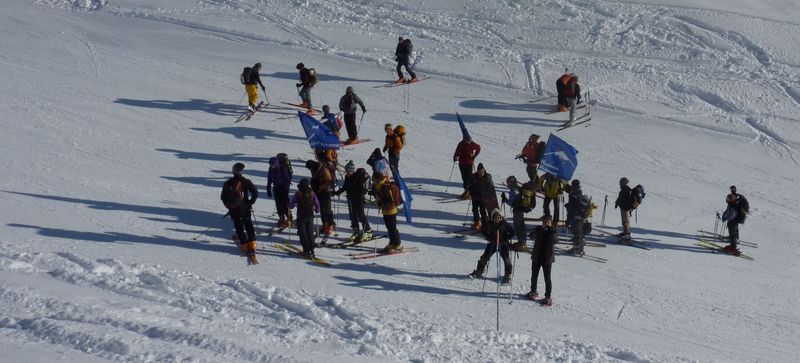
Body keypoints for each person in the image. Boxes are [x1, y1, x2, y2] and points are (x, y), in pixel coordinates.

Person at [220, 162, 259, 264]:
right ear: (242, 171)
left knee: (238, 225)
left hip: (233, 209)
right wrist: (250, 202)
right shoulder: (245, 181)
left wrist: (229, 206)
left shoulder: (227, 183)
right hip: (244, 207)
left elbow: (222, 197)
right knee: (248, 224)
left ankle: (244, 244)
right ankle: (252, 242)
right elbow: (255, 192)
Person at [468, 209, 514, 284]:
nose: (497, 219)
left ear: (501, 217)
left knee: (507, 260)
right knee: (484, 257)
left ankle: (508, 275)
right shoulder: (489, 224)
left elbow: (512, 232)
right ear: (492, 218)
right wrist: (488, 237)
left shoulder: (505, 224)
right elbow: (483, 230)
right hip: (492, 243)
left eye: (498, 217)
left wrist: (507, 237)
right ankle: (479, 271)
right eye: (495, 218)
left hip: (503, 244)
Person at [336, 161, 373, 243]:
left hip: (358, 199)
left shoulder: (357, 178)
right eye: (346, 170)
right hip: (350, 198)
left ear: (352, 171)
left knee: (361, 215)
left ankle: (368, 231)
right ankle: (356, 231)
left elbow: (361, 189)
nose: (346, 172)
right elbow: (345, 186)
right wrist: (338, 192)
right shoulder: (347, 177)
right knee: (352, 215)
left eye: (348, 171)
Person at [526, 215, 556, 306]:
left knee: (547, 278)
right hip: (537, 257)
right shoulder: (539, 230)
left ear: (551, 223)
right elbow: (530, 236)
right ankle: (533, 291)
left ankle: (548, 296)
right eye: (544, 222)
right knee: (534, 276)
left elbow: (556, 240)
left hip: (547, 259)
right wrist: (537, 230)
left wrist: (551, 232)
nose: (546, 224)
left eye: (548, 222)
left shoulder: (552, 231)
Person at [288, 178, 320, 258]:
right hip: (310, 216)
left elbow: (291, 205)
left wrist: (288, 205)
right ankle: (312, 250)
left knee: (302, 234)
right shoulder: (312, 193)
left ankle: (306, 251)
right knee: (310, 233)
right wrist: (317, 210)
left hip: (301, 217)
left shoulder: (298, 194)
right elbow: (317, 203)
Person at [373, 172, 403, 253]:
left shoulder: (384, 187)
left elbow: (388, 200)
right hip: (386, 211)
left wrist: (380, 203)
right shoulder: (380, 186)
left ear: (378, 180)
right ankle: (392, 243)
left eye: (374, 180)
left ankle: (398, 245)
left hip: (391, 210)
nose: (373, 181)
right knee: (389, 228)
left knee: (392, 228)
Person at [306, 160, 335, 239]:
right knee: (321, 208)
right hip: (318, 192)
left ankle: (331, 225)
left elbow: (329, 182)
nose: (309, 170)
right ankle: (324, 223)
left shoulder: (324, 170)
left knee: (327, 209)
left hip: (326, 192)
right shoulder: (314, 170)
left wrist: (320, 187)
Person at [267, 153, 293, 229]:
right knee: (278, 203)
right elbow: (269, 179)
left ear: (276, 163)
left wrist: (285, 188)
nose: (271, 166)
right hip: (276, 188)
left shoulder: (283, 168)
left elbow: (287, 179)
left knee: (285, 202)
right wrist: (268, 189)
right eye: (270, 164)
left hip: (284, 188)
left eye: (273, 164)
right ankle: (281, 218)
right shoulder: (271, 169)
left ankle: (289, 216)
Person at [501, 176, 527, 249]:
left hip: (517, 210)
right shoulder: (519, 188)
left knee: (517, 226)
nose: (507, 184)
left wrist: (504, 199)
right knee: (521, 225)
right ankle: (522, 241)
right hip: (521, 209)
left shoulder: (513, 190)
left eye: (508, 182)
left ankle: (521, 243)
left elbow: (511, 203)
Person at [467, 163, 493, 230]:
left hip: (483, 198)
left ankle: (484, 224)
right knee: (474, 210)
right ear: (477, 171)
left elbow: (491, 187)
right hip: (475, 196)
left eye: (482, 171)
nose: (481, 173)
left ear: (484, 171)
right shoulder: (473, 176)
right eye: (479, 171)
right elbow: (469, 184)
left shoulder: (487, 177)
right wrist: (469, 190)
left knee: (483, 211)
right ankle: (477, 222)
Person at [565, 179, 586, 255]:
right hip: (580, 215)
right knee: (579, 231)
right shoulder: (578, 192)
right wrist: (568, 205)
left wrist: (568, 218)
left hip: (575, 216)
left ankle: (577, 247)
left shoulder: (574, 193)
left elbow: (574, 207)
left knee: (576, 231)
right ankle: (580, 245)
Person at [722, 186, 743, 255]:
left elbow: (732, 215)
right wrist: (725, 214)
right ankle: (732, 246)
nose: (727, 199)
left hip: (733, 221)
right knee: (732, 234)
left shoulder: (733, 205)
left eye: (728, 199)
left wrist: (726, 218)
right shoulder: (731, 204)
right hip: (733, 221)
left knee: (733, 235)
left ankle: (733, 248)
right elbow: (728, 211)